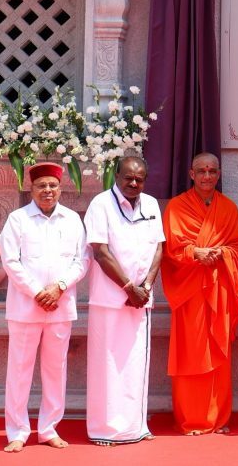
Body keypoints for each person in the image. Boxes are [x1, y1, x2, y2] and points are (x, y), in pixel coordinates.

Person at [0, 160, 88, 453]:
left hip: (60, 307)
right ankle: (17, 431)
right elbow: (11, 261)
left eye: (52, 185)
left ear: (61, 188)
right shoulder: (18, 219)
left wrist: (59, 287)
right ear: (31, 189)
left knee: (55, 369)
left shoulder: (73, 220)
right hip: (25, 308)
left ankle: (49, 429)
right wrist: (38, 292)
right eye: (41, 186)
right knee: (19, 370)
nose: (47, 191)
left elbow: (82, 260)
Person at [161, 152, 238, 435]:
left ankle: (219, 418)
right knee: (191, 354)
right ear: (191, 174)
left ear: (219, 174)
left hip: (218, 292)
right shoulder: (176, 207)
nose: (207, 176)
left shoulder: (229, 208)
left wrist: (222, 254)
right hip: (190, 292)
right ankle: (193, 419)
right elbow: (170, 249)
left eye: (212, 171)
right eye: (201, 171)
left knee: (218, 354)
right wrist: (194, 253)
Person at [83, 156, 164, 445]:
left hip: (140, 300)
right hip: (110, 298)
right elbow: (100, 252)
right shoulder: (101, 204)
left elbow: (158, 248)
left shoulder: (152, 204)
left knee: (135, 363)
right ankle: (104, 429)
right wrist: (129, 287)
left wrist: (146, 286)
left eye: (139, 179)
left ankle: (135, 426)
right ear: (116, 175)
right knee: (107, 364)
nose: (133, 183)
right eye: (128, 177)